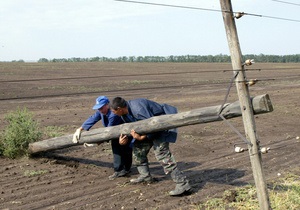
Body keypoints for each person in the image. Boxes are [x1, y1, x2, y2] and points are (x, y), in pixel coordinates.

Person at [110, 97, 192, 196]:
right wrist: (124, 138)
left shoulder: (138, 109)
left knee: (162, 155)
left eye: (114, 111)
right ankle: (145, 176)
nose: (113, 113)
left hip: (162, 127)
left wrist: (141, 137)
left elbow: (153, 127)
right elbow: (130, 127)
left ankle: (182, 184)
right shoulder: (124, 113)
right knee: (138, 151)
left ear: (119, 108)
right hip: (148, 130)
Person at [72, 96, 132, 180]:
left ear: (107, 105)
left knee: (124, 150)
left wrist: (96, 142)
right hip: (114, 132)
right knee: (119, 150)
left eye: (101, 108)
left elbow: (108, 131)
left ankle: (123, 170)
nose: (100, 110)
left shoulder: (113, 114)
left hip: (122, 132)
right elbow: (92, 119)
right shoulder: (101, 112)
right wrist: (80, 129)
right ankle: (122, 170)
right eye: (98, 108)